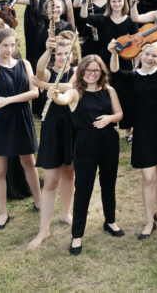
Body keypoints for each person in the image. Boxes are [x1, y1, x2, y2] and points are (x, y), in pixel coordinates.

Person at [51, 55, 123, 254]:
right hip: (85, 145)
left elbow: (119, 114)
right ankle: (77, 235)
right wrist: (55, 96)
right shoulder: (76, 93)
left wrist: (110, 118)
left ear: (101, 72)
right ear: (81, 72)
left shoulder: (109, 90)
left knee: (109, 183)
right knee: (83, 189)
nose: (92, 74)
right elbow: (63, 99)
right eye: (88, 70)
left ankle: (110, 221)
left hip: (109, 142)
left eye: (96, 70)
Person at [109, 39, 157, 238]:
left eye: (154, 56)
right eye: (147, 54)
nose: (150, 58)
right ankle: (149, 222)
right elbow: (114, 73)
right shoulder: (132, 77)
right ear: (140, 55)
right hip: (144, 130)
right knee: (148, 178)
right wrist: (114, 53)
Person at [0, 28, 43, 230]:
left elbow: (34, 93)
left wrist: (8, 99)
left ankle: (39, 202)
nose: (9, 49)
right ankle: (3, 214)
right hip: (1, 122)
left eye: (12, 45)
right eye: (5, 46)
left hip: (22, 117)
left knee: (29, 162)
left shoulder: (24, 64)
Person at [27, 32, 77, 249]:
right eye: (58, 54)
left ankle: (66, 213)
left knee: (70, 173)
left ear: (73, 55)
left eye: (66, 54)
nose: (62, 57)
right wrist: (47, 51)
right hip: (52, 128)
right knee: (50, 181)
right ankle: (43, 230)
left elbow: (71, 88)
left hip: (72, 126)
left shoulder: (76, 72)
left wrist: (42, 85)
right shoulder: (49, 71)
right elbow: (39, 71)